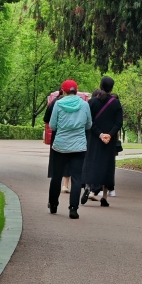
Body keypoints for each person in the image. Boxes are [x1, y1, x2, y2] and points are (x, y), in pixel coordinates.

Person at [48, 79, 92, 219]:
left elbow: (52, 125)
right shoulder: (84, 105)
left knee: (57, 176)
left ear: (63, 91)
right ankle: (73, 208)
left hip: (61, 146)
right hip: (79, 146)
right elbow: (89, 124)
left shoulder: (58, 104)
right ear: (76, 91)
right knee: (76, 177)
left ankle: (53, 204)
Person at [81, 76, 123, 207]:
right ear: (112, 88)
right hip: (109, 141)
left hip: (94, 138)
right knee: (107, 166)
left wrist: (99, 134)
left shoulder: (92, 102)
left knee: (91, 162)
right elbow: (118, 122)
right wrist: (109, 134)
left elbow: (88, 121)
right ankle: (104, 196)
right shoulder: (115, 103)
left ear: (100, 85)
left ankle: (88, 187)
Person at [44, 88, 70, 192]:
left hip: (57, 135)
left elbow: (47, 119)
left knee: (56, 159)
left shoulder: (55, 102)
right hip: (71, 135)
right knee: (69, 158)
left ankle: (55, 184)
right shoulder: (77, 103)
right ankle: (65, 184)